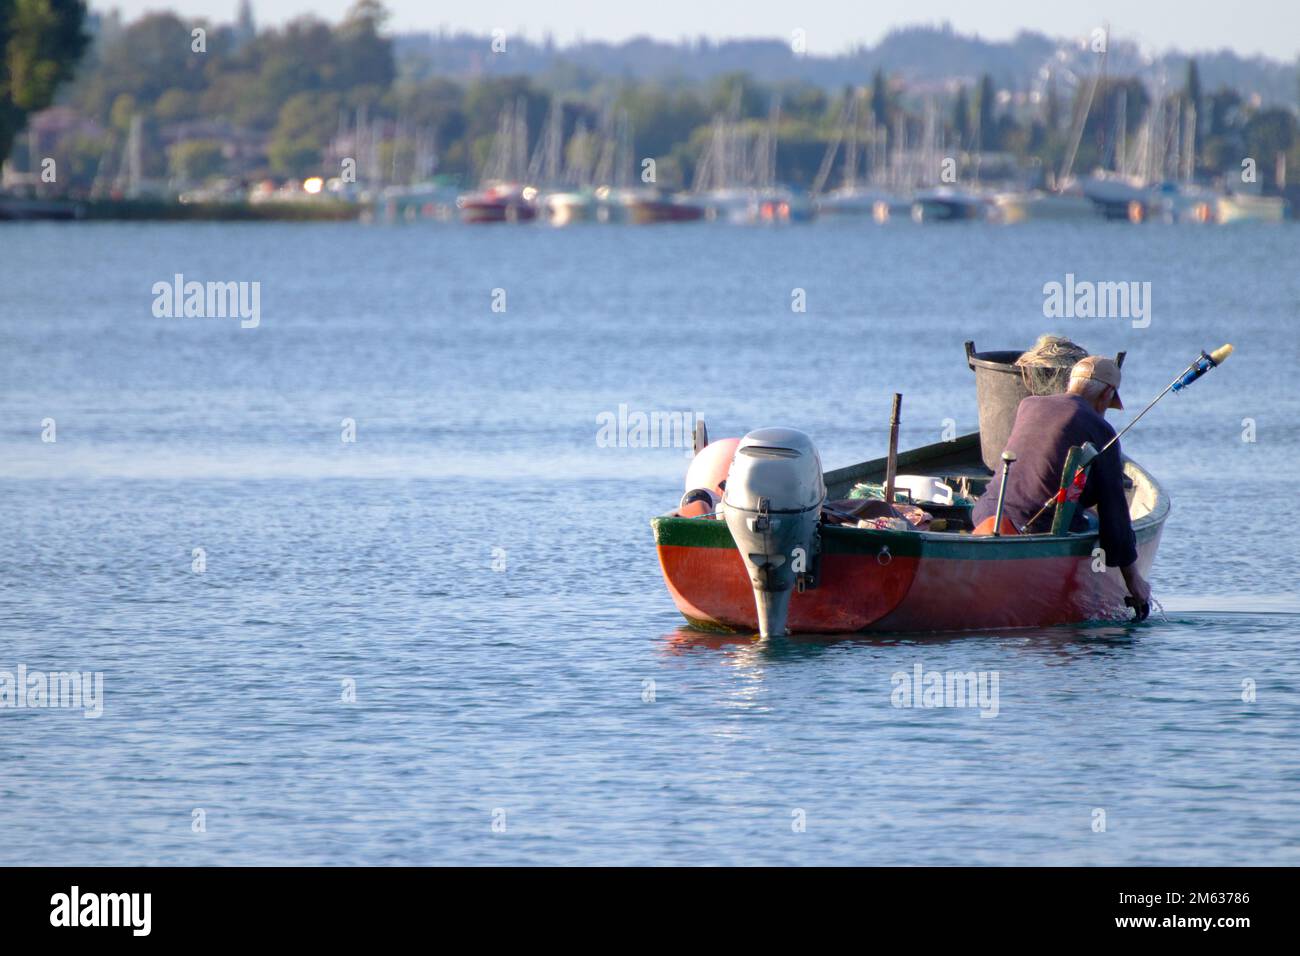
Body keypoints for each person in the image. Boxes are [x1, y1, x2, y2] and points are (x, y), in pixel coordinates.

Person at [972, 355, 1152, 609]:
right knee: (1096, 523)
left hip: (985, 513)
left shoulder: (1029, 404)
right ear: (1107, 394)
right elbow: (1115, 514)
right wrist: (1134, 580)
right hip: (1034, 528)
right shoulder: (1102, 430)